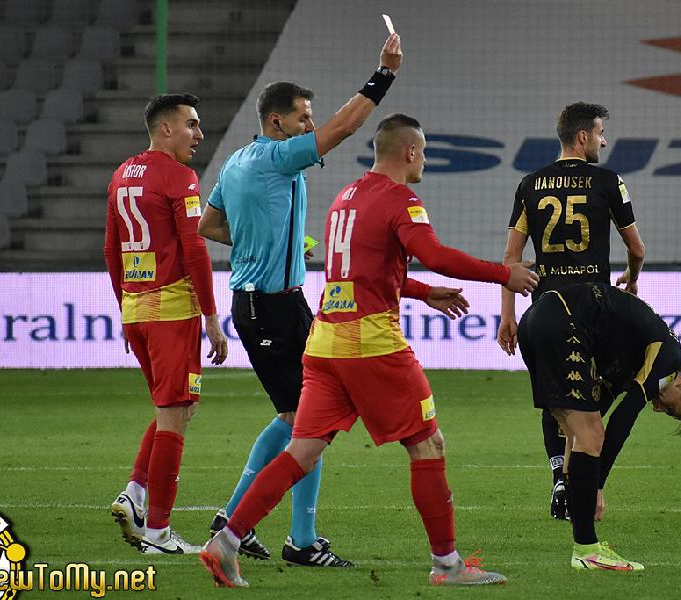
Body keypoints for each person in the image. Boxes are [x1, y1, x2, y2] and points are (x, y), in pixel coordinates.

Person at [198, 113, 539, 588]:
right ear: (411, 152)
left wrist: (423, 292)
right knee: (428, 444)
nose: (424, 161)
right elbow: (435, 255)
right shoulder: (402, 200)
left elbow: (367, 271)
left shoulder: (347, 198)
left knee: (302, 450)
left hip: (324, 343)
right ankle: (447, 565)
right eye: (423, 153)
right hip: (372, 344)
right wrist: (505, 273)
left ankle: (227, 540)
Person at [196, 32, 403, 567]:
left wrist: (268, 243)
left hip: (273, 303)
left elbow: (209, 225)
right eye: (302, 117)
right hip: (268, 307)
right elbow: (345, 127)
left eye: (310, 117)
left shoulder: (237, 160)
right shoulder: (276, 158)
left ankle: (240, 522)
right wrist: (384, 74)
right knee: (308, 421)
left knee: (303, 417)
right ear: (276, 122)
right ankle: (295, 539)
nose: (310, 125)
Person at [496, 102, 646, 520]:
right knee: (589, 395)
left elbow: (510, 258)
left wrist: (507, 315)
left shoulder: (530, 184)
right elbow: (636, 248)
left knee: (556, 398)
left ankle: (560, 480)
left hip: (545, 308)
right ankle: (582, 486)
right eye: (600, 133)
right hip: (593, 310)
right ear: (583, 137)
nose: (604, 141)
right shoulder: (608, 181)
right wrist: (633, 278)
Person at [104, 93, 229, 554]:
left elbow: (111, 249)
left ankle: (135, 493)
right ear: (165, 128)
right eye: (191, 125)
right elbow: (194, 248)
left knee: (175, 409)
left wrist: (125, 307)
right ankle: (158, 532)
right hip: (172, 310)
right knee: (175, 415)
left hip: (137, 310)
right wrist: (211, 316)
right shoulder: (179, 176)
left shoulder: (122, 173)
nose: (199, 134)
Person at [517, 282, 681, 571]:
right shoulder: (668, 360)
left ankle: (584, 545)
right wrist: (596, 486)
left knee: (578, 431)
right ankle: (587, 551)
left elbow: (587, 423)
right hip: (562, 321)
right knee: (591, 433)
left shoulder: (627, 358)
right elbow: (622, 420)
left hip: (535, 321)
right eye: (670, 408)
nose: (657, 408)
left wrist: (570, 482)